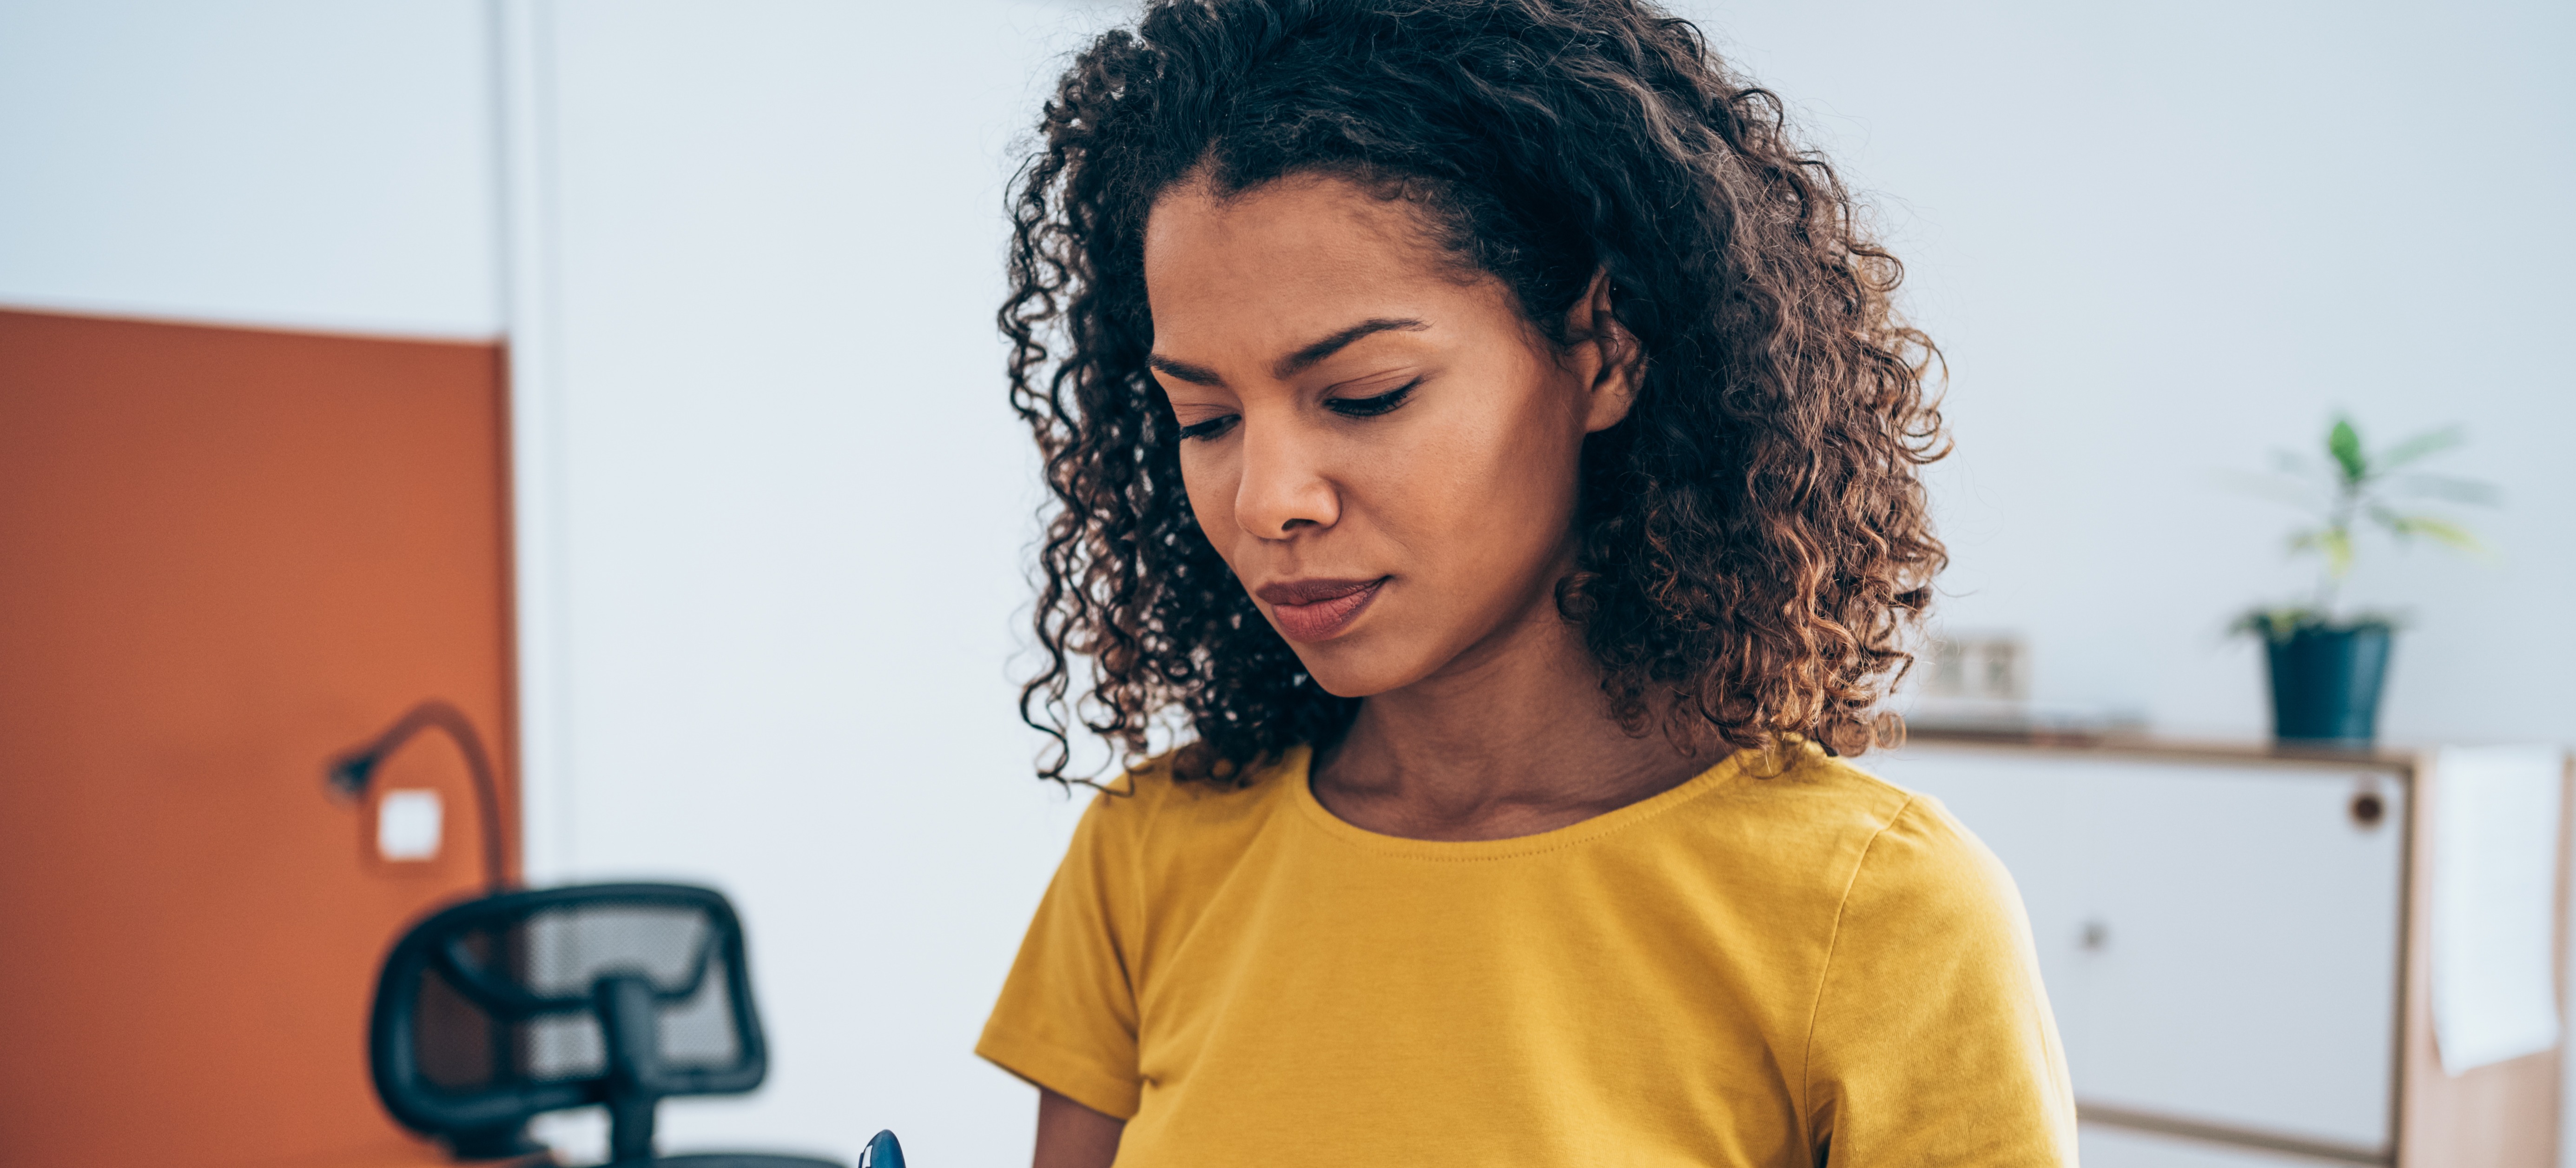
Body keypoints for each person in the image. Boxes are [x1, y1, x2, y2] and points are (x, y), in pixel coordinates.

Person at [977, 0, 2074, 1163]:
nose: (1265, 500)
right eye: (1204, 419)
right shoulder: (1153, 857)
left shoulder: (1876, 911)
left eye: (1364, 394)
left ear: (1605, 350)